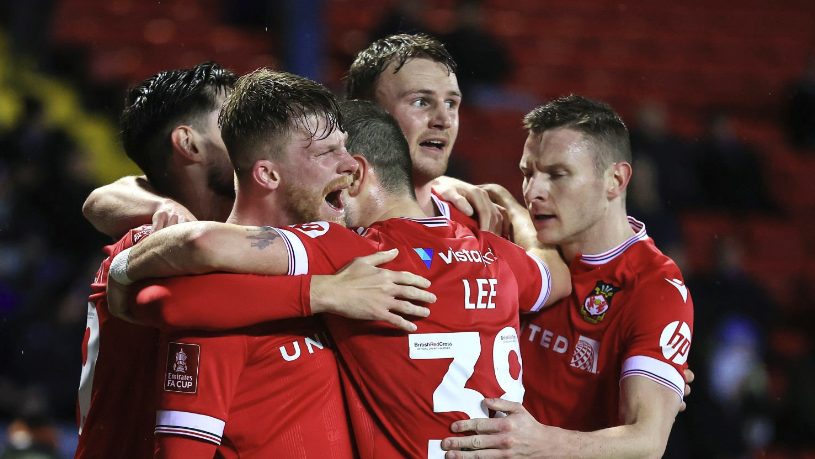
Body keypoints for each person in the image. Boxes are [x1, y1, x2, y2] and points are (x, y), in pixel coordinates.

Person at [106, 99, 571, 458]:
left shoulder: (353, 250)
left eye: (339, 156)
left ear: (357, 173)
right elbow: (557, 276)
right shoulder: (496, 255)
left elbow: (200, 250)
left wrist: (125, 272)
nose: (337, 168)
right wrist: (515, 212)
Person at [77, 63, 431, 459]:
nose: (240, 128)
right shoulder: (153, 248)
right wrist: (321, 292)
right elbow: (183, 292)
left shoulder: (316, 247)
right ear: (190, 144)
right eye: (227, 121)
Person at [440, 95, 694, 459]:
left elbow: (647, 442)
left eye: (557, 175)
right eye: (528, 173)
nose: (533, 192)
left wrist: (541, 442)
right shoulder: (519, 240)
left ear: (615, 180)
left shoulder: (654, 288)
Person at [82, 34, 505, 242]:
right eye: (421, 102)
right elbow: (104, 198)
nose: (443, 119)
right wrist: (164, 208)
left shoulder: (471, 210)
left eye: (453, 103)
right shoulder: (294, 197)